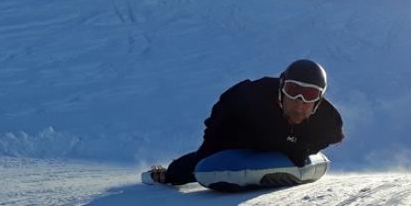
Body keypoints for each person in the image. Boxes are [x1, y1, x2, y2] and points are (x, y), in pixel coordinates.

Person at [143, 59, 345, 186]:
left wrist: (300, 150)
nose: (300, 104)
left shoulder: (328, 120)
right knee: (199, 162)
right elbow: (222, 110)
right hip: (246, 135)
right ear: (282, 88)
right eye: (293, 92)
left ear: (318, 101)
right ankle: (167, 174)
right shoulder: (255, 94)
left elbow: (332, 138)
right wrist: (208, 148)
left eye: (309, 96)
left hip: (282, 143)